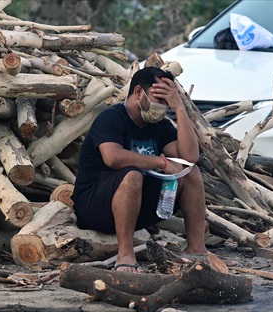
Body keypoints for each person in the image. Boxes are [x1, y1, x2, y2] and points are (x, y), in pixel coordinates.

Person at [71, 66, 208, 273]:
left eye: (166, 100)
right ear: (137, 93)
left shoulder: (159, 126)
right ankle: (125, 255)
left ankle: (197, 250)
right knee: (132, 175)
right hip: (95, 207)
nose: (162, 106)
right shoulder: (111, 118)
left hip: (136, 207)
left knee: (191, 172)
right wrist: (160, 162)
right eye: (158, 98)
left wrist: (180, 108)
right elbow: (113, 158)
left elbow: (190, 158)